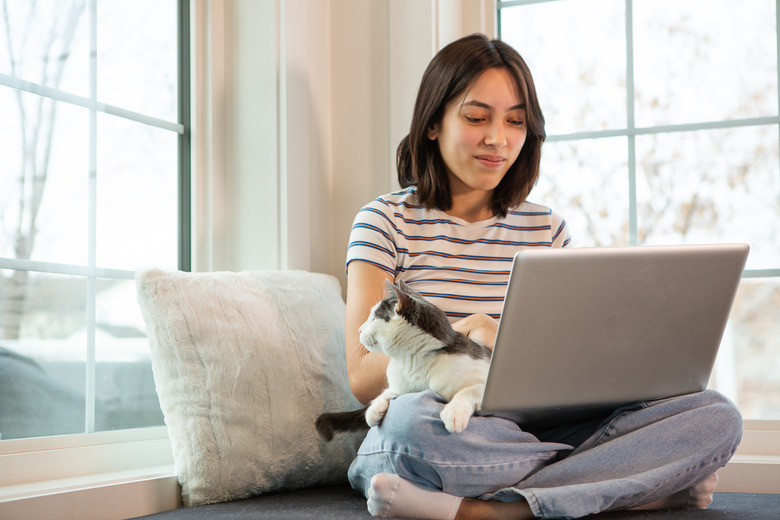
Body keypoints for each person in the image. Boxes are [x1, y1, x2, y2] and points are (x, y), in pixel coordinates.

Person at [343, 33, 742, 520]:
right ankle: (628, 486)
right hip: (449, 425)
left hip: (529, 433)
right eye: (476, 117)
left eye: (516, 121)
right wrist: (468, 341)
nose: (499, 138)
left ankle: (493, 509)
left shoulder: (546, 228)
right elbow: (364, 378)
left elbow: (572, 368)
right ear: (432, 124)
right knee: (410, 426)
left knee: (715, 416)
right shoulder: (384, 221)